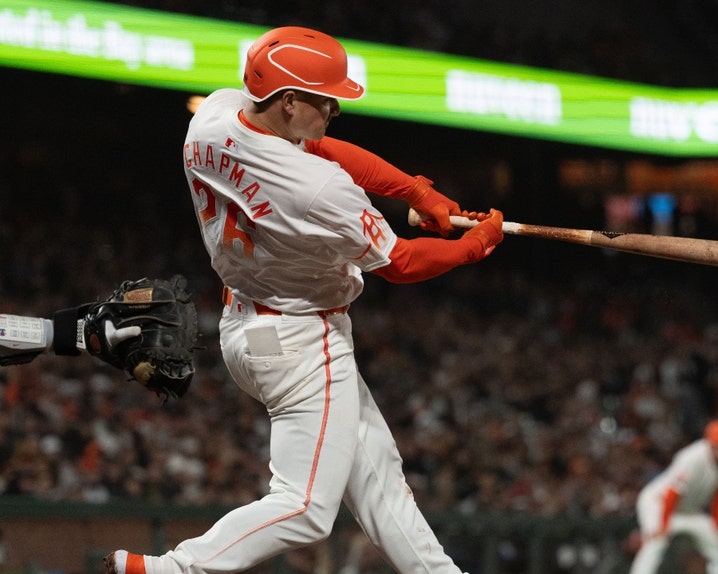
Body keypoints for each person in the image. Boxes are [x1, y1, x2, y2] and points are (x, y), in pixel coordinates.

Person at [104, 26, 504, 574]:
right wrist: (473, 247)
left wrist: (414, 191)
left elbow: (320, 146)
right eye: (324, 98)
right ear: (289, 101)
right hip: (300, 339)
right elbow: (404, 262)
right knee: (306, 507)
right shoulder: (317, 188)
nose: (335, 107)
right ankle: (171, 570)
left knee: (378, 479)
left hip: (247, 324)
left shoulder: (214, 118)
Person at [629, 419, 718, 574]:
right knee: (656, 541)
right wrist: (663, 525)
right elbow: (673, 492)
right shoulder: (691, 457)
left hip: (689, 510)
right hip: (658, 504)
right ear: (709, 442)